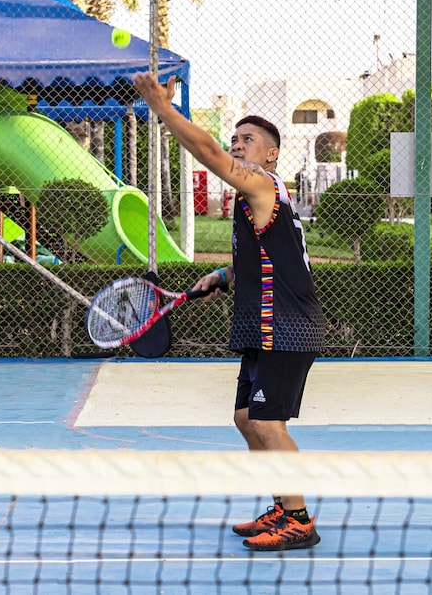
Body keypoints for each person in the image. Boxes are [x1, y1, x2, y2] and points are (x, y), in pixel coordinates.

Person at [132, 72, 326, 552]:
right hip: (264, 326)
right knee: (245, 418)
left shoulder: (263, 185)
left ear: (272, 154)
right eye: (235, 139)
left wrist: (163, 109)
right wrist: (224, 274)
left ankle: (299, 520)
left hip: (288, 326)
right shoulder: (252, 202)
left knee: (267, 424)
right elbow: (271, 254)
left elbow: (207, 152)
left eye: (248, 139)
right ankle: (281, 506)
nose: (237, 145)